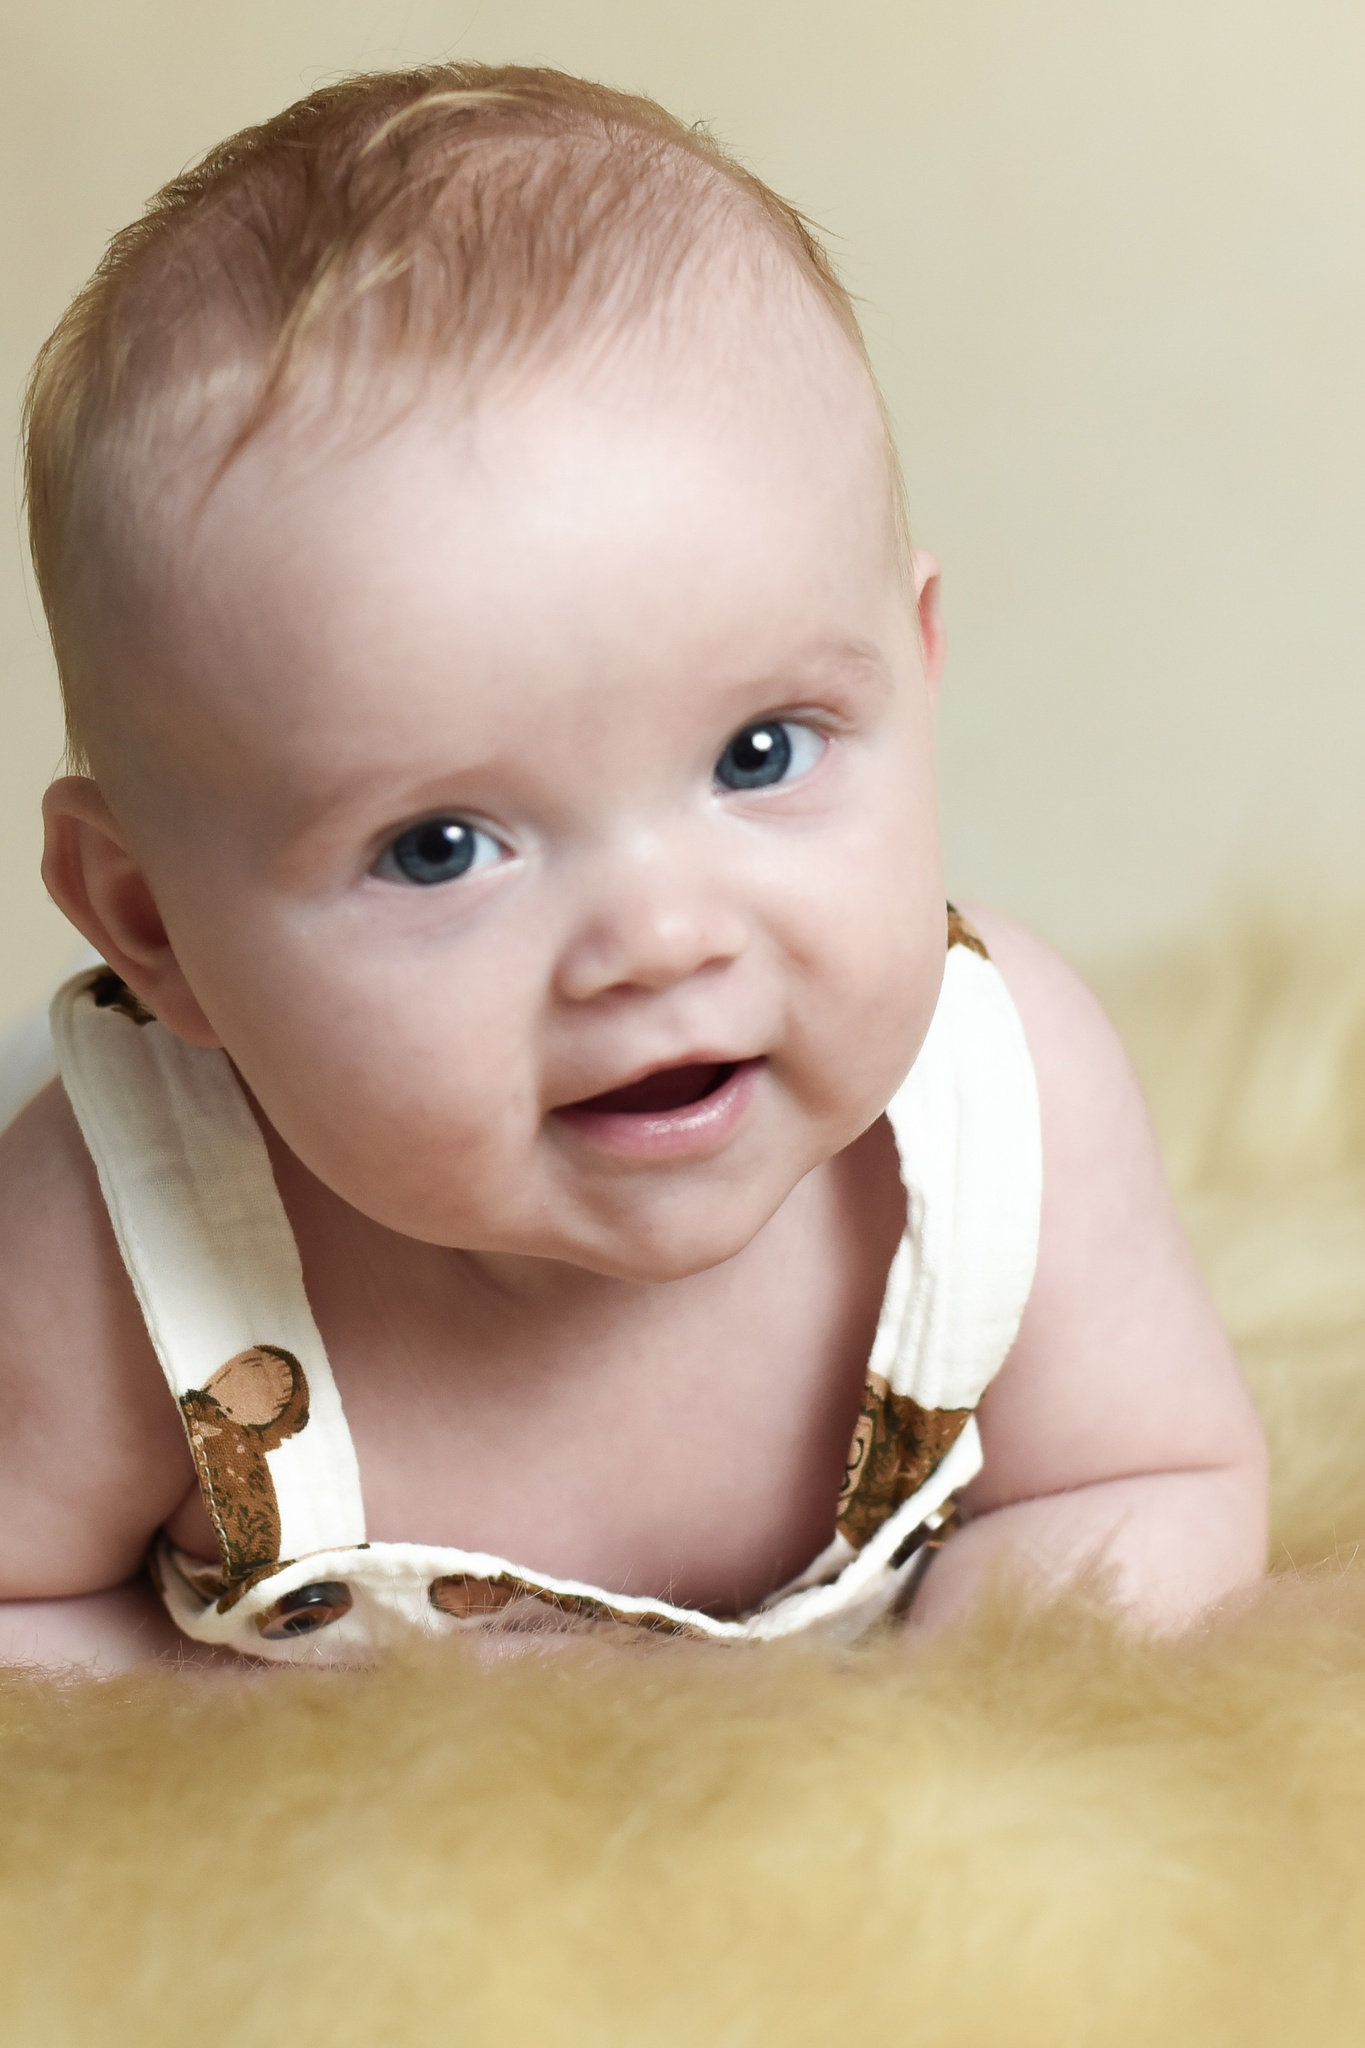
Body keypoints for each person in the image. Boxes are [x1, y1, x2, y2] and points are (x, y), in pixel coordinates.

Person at [0, 64, 1266, 1670]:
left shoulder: (999, 1106)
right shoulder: (114, 1248)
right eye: (439, 848)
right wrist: (263, 1745)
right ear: (148, 921)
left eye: (760, 755)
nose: (660, 941)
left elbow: (1145, 1478)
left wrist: (922, 1762)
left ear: (915, 667)